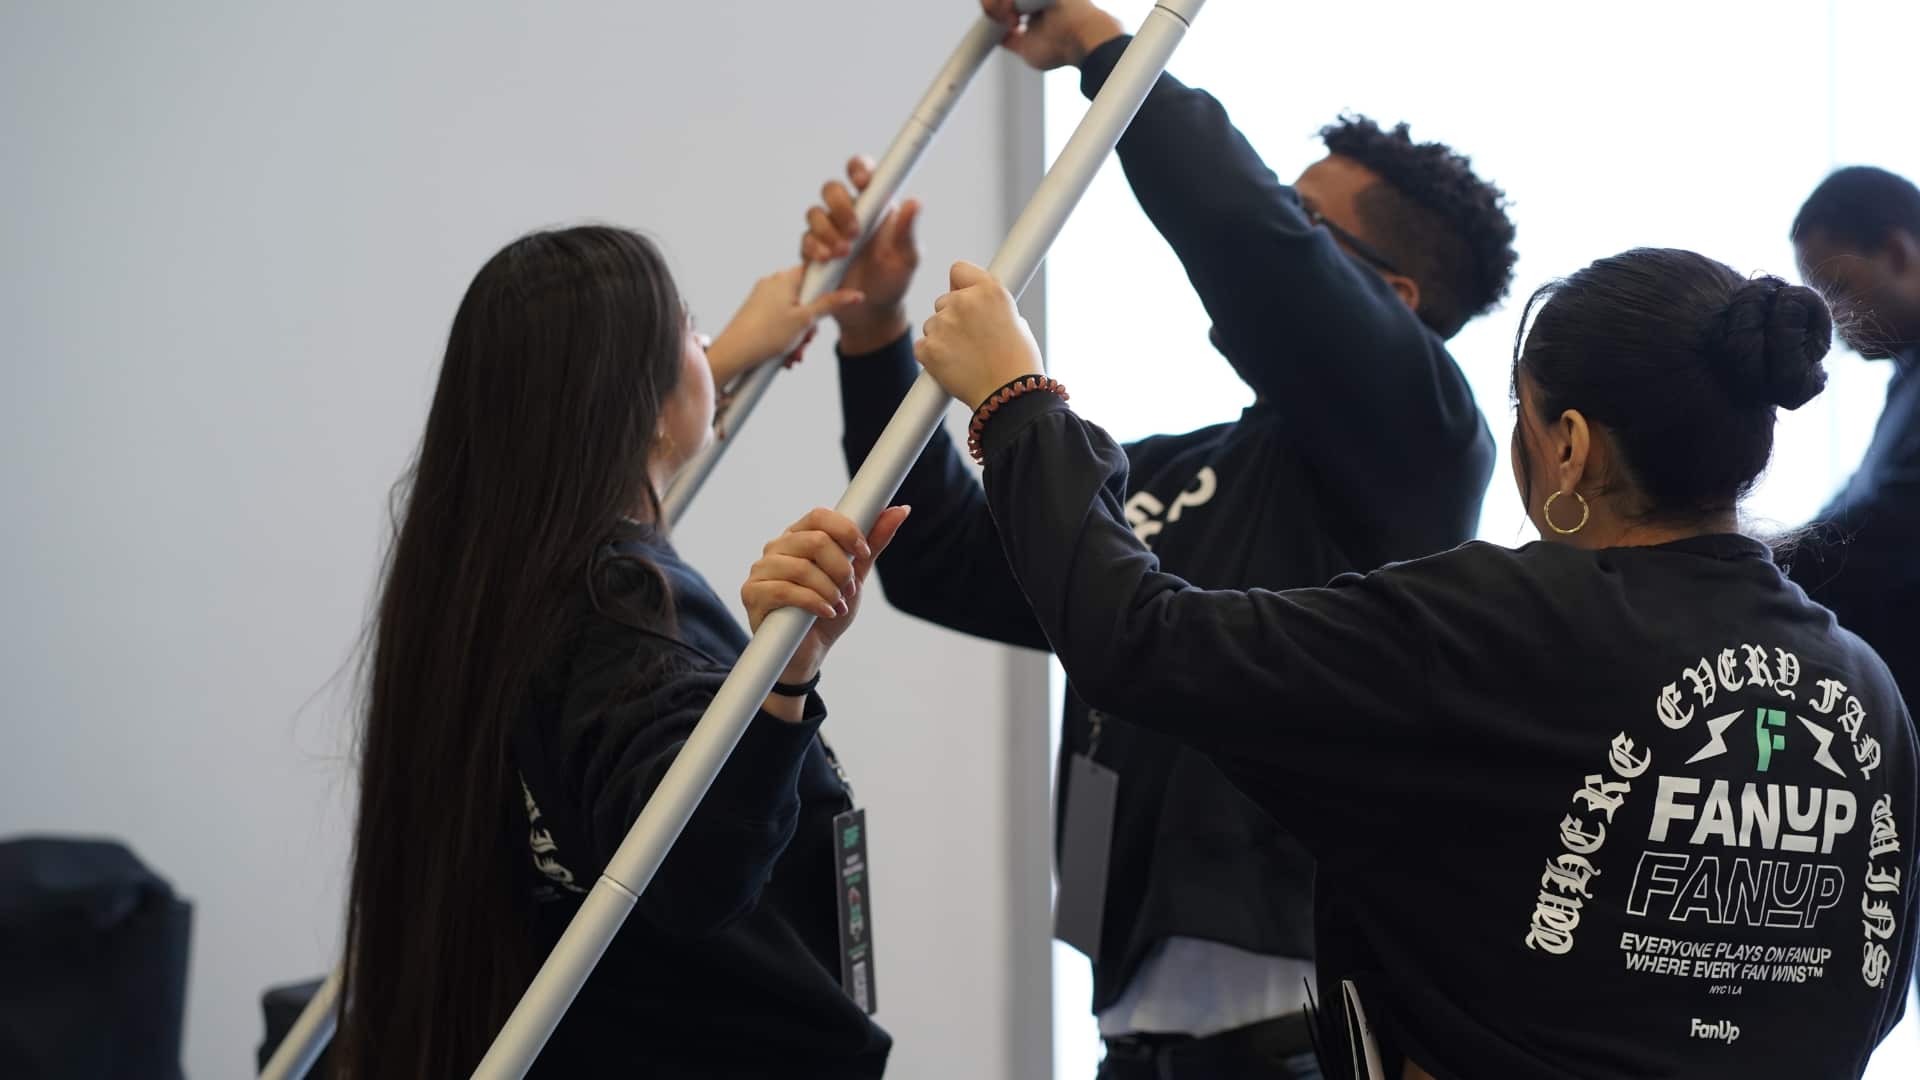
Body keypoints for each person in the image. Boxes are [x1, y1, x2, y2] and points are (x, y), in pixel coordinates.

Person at [913, 247, 1920, 1078]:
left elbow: (1144, 642)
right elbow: (1867, 996)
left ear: (1566, 444)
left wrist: (1021, 404)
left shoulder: (1503, 624)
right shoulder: (1865, 692)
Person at [805, 0, 1515, 1072]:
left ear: (1394, 299)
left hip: (1303, 1043)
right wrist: (875, 340)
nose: (1273, 222)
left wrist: (1104, 48)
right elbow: (946, 560)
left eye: (1305, 218)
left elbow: (1248, 241)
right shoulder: (1186, 471)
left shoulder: (1424, 443)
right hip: (1135, 1044)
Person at [335, 225, 909, 1078]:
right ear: (637, 400)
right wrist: (786, 679)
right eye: (689, 328)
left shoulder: (487, 585)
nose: (708, 344)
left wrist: (716, 362)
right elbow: (688, 873)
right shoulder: (621, 605)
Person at [1785, 165, 1920, 717]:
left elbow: (1889, 523)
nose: (1832, 322)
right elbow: (1860, 502)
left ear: (1896, 253)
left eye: (1836, 289)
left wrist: (1748, 562)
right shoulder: (1907, 377)